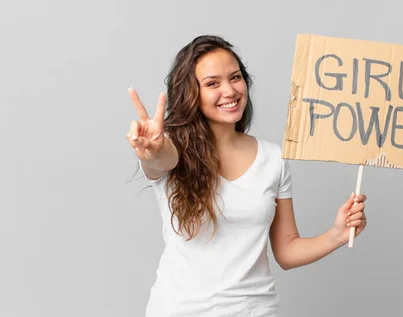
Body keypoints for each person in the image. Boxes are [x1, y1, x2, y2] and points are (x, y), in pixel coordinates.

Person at [126, 35, 367, 317]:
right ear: (191, 94)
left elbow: (287, 251)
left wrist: (336, 235)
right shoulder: (171, 149)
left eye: (235, 77)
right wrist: (152, 150)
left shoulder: (273, 159)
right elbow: (160, 159)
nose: (229, 91)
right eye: (212, 83)